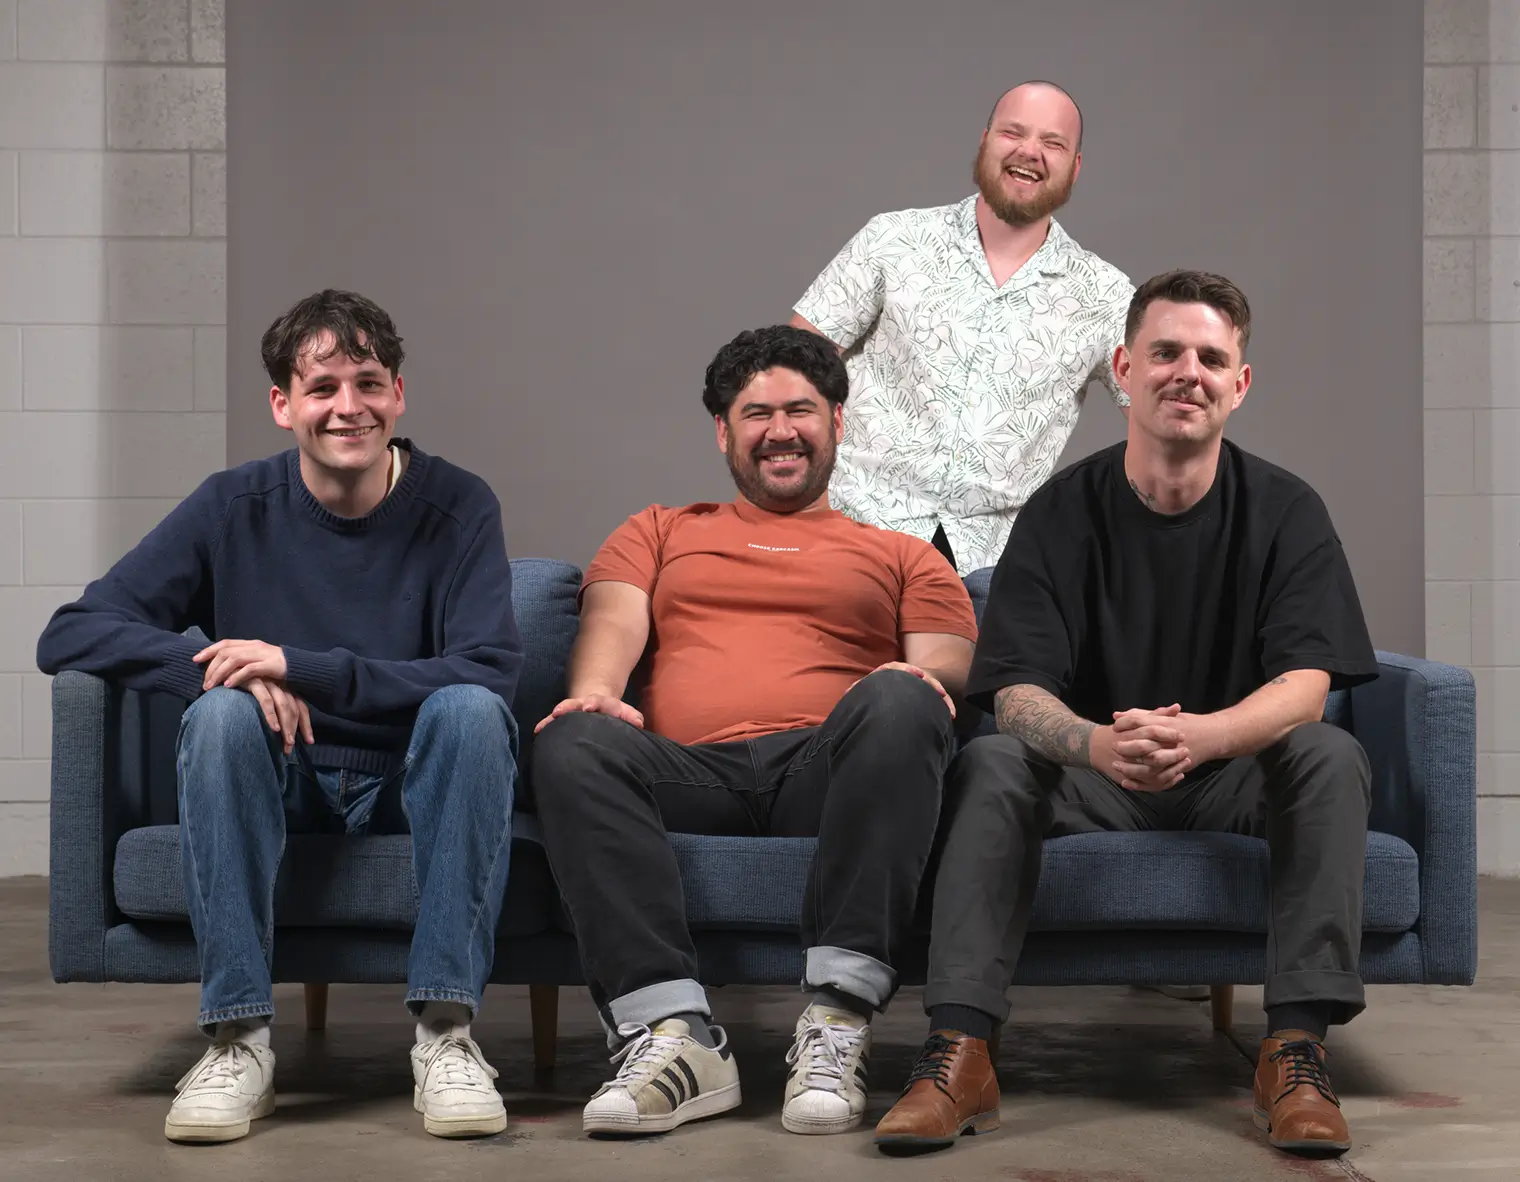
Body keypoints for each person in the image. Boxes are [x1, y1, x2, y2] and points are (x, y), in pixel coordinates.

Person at [876, 271, 1379, 1158]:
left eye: (1211, 358)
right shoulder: (1060, 510)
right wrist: (1100, 743)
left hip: (1232, 776)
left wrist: (1208, 735)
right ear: (1124, 368)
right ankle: (961, 1051)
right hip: (1092, 780)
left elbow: (1307, 684)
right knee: (993, 759)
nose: (1189, 372)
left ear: (1240, 383)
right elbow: (1016, 690)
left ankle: (1294, 1051)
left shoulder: (1288, 510)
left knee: (1328, 754)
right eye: (1166, 353)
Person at [36, 290, 523, 1144]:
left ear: (398, 394)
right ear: (283, 405)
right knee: (222, 716)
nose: (348, 408)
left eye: (368, 383)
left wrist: (304, 667)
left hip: (410, 784)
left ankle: (447, 1035)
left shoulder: (459, 506)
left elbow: (489, 668)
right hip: (283, 778)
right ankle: (238, 1040)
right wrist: (219, 673)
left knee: (473, 711)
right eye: (323, 387)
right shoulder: (232, 504)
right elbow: (72, 629)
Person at [530, 324, 978, 1138]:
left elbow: (944, 666)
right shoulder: (660, 530)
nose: (780, 430)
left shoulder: (906, 554)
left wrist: (911, 689)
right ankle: (674, 1037)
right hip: (687, 775)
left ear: (837, 423)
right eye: (756, 412)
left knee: (905, 698)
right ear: (724, 431)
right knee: (571, 735)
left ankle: (838, 1019)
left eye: (801, 410)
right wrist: (596, 693)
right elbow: (610, 624)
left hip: (829, 774)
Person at [790, 80, 1133, 575]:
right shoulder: (894, 240)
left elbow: (1159, 423)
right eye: (1013, 133)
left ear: (1075, 166)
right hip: (849, 532)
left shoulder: (1106, 295)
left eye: (1053, 143)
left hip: (994, 568)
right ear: (985, 141)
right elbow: (792, 372)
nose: (1030, 152)